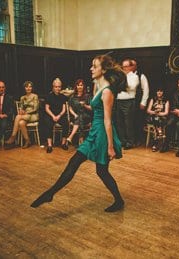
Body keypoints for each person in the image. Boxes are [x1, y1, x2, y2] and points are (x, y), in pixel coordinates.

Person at [31, 54, 126, 213]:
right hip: (94, 132)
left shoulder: (107, 92)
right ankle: (51, 193)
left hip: (102, 134)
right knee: (74, 162)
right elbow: (97, 110)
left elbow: (108, 121)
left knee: (101, 171)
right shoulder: (98, 87)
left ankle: (119, 200)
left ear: (103, 70)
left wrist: (110, 147)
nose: (91, 68)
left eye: (94, 66)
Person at [116, 58, 150, 149]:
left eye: (126, 66)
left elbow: (132, 87)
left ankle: (130, 142)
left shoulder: (135, 77)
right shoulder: (120, 75)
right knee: (119, 122)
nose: (124, 68)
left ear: (131, 67)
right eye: (122, 66)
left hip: (129, 101)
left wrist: (143, 102)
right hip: (118, 101)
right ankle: (122, 141)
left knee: (129, 123)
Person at [4, 81, 39, 149]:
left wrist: (26, 112)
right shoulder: (22, 97)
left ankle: (13, 136)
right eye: (26, 87)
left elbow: (35, 108)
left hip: (33, 115)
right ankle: (27, 141)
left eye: (30, 86)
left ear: (32, 88)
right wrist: (21, 111)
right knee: (21, 123)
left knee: (17, 117)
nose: (28, 88)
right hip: (25, 116)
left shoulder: (35, 96)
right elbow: (21, 107)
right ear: (24, 88)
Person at [43, 78, 69, 153]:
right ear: (53, 87)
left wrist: (59, 116)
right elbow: (47, 108)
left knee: (66, 123)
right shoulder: (49, 96)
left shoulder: (63, 97)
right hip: (51, 114)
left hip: (60, 115)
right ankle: (50, 145)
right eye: (56, 87)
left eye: (59, 87)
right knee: (48, 123)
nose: (58, 88)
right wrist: (53, 116)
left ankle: (63, 143)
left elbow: (64, 109)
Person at [66, 79, 92, 146]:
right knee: (79, 117)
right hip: (76, 117)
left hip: (86, 116)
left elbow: (91, 108)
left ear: (83, 86)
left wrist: (85, 105)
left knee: (80, 116)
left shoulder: (87, 96)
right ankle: (81, 139)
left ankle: (71, 136)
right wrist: (74, 114)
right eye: (78, 85)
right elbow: (70, 108)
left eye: (81, 85)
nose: (80, 87)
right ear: (76, 86)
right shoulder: (72, 97)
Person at [146, 88, 169, 152]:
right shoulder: (153, 99)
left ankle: (155, 143)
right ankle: (161, 137)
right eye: (158, 91)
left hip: (162, 117)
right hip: (153, 116)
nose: (159, 92)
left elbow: (166, 112)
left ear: (163, 92)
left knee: (159, 120)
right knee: (156, 119)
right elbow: (148, 110)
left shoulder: (166, 101)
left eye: (161, 91)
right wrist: (154, 112)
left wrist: (159, 114)